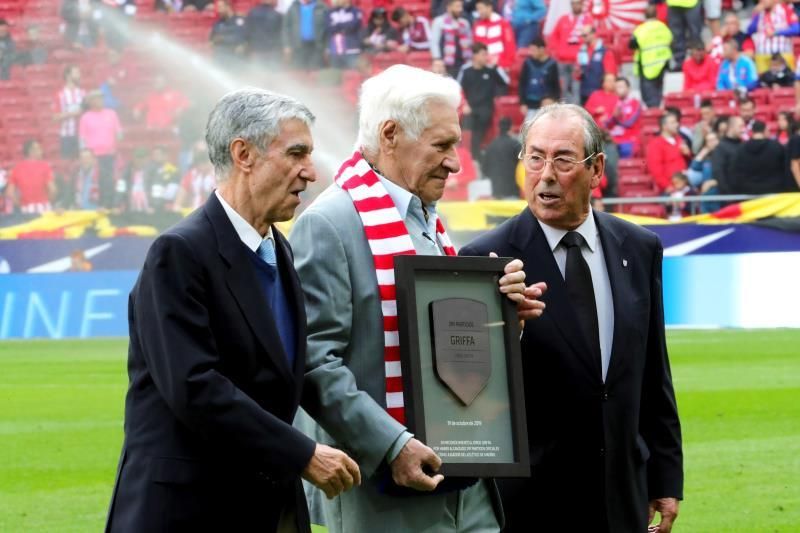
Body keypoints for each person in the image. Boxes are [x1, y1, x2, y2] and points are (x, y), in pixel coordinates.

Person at [289, 64, 542, 533]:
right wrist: (393, 444)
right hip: (385, 489)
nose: (455, 162)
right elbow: (314, 363)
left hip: (465, 479)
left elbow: (438, 344)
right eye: (442, 145)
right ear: (390, 134)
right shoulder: (329, 223)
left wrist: (503, 321)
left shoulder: (426, 217)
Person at [105, 88, 361, 533]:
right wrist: (301, 453)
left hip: (262, 503)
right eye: (296, 153)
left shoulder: (279, 249)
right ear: (243, 154)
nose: (311, 172)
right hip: (188, 509)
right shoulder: (180, 253)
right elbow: (195, 387)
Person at [459, 103, 683, 533]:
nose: (545, 174)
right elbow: (473, 388)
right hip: (532, 502)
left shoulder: (639, 247)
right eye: (535, 157)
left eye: (562, 160)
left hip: (623, 494)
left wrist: (666, 475)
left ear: (597, 169)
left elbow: (654, 372)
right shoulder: (486, 258)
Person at [458, 42, 510, 160]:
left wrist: (496, 67)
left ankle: (476, 158)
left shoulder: (491, 70)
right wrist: (464, 104)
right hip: (469, 109)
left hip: (485, 109)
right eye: (483, 54)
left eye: (486, 54)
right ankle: (470, 158)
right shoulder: (466, 71)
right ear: (474, 56)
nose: (486, 57)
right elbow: (458, 89)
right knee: (467, 127)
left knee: (478, 129)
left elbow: (505, 82)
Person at [78, 90, 122, 209]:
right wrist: (85, 155)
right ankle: (96, 205)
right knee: (96, 182)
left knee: (110, 181)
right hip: (94, 157)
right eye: (97, 98)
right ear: (90, 101)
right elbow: (82, 138)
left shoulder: (112, 114)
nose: (100, 101)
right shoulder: (85, 117)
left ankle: (110, 205)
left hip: (109, 154)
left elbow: (119, 133)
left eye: (101, 98)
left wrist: (116, 146)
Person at [548, 0, 591, 104]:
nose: (575, 5)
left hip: (578, 62)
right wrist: (556, 52)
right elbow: (553, 38)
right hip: (562, 61)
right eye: (573, 3)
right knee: (562, 89)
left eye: (577, 3)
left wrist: (584, 59)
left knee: (576, 89)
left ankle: (576, 114)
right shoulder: (563, 19)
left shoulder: (588, 20)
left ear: (582, 4)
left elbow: (590, 41)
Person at [728, 120, 787, 194]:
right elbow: (785, 168)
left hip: (747, 193)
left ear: (752, 132)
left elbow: (734, 171)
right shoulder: (776, 147)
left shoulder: (740, 149)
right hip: (772, 193)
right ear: (765, 131)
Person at [631, 6, 673, 108]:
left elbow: (632, 44)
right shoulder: (664, 27)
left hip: (647, 65)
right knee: (659, 93)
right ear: (656, 14)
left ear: (644, 15)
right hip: (662, 64)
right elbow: (671, 40)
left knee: (649, 97)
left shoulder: (640, 29)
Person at [746, 0, 799, 73]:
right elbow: (750, 31)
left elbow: (797, 29)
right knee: (764, 83)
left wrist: (776, 32)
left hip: (783, 54)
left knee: (786, 81)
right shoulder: (759, 13)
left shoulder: (784, 9)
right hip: (762, 55)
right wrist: (756, 15)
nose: (763, 2)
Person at [5, 140, 55, 214]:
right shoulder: (45, 166)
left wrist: (20, 204)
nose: (41, 151)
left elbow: (9, 192)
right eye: (39, 148)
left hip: (26, 209)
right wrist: (49, 201)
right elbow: (52, 189)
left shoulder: (16, 168)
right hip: (44, 207)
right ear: (31, 151)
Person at [646, 110, 690, 193]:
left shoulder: (679, 140)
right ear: (664, 126)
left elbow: (689, 161)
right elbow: (655, 170)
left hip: (685, 184)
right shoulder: (655, 144)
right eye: (673, 123)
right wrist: (668, 186)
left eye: (677, 122)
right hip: (670, 188)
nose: (677, 125)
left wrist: (688, 154)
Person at [518, 36, 560, 119]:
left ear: (542, 49)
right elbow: (522, 83)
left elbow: (556, 86)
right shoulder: (527, 63)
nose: (531, 53)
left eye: (533, 50)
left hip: (546, 106)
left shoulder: (552, 64)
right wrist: (522, 103)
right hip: (530, 106)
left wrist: (553, 100)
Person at [576, 24, 617, 105]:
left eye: (585, 35)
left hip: (600, 93)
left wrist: (606, 92)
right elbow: (577, 73)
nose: (583, 38)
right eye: (582, 36)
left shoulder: (605, 51)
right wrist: (577, 73)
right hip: (585, 91)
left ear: (593, 34)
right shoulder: (581, 51)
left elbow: (610, 73)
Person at [431, 0, 473, 78]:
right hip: (446, 64)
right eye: (457, 7)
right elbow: (434, 43)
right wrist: (437, 59)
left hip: (463, 62)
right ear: (449, 8)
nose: (460, 9)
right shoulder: (439, 22)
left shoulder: (465, 23)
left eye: (461, 7)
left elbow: (470, 42)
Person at [483, 116, 522, 198]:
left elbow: (485, 170)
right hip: (512, 191)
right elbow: (523, 166)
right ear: (511, 128)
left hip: (496, 191)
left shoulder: (491, 146)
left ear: (498, 128)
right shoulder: (515, 144)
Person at [283, 0, 327, 70]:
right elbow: (286, 28)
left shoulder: (322, 7)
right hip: (298, 47)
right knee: (299, 73)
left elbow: (327, 28)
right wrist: (287, 45)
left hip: (317, 47)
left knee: (315, 72)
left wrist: (326, 47)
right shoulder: (294, 7)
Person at [472, 0, 516, 69]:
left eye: (481, 8)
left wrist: (506, 63)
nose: (479, 12)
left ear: (489, 8)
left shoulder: (503, 24)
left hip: (499, 65)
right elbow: (475, 46)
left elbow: (510, 45)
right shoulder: (477, 25)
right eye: (478, 9)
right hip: (482, 66)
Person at [53, 65, 85, 160]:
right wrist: (72, 114)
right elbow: (55, 117)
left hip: (81, 135)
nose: (79, 75)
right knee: (67, 164)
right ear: (68, 76)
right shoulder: (60, 95)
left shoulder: (83, 93)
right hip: (67, 136)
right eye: (76, 73)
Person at [605, 77, 642, 159]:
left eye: (621, 87)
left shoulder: (635, 103)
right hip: (613, 140)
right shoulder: (612, 103)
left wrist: (616, 118)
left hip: (629, 140)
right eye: (616, 87)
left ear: (628, 88)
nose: (618, 89)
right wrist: (613, 117)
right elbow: (605, 124)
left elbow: (629, 122)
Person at [325, 0, 363, 69]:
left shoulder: (355, 11)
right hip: (335, 50)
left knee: (353, 74)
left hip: (351, 49)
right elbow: (330, 28)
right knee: (336, 73)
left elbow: (354, 26)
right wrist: (345, 26)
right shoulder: (330, 12)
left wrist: (338, 25)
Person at [712, 114, 744, 195]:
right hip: (730, 197)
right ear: (731, 127)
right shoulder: (721, 148)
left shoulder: (744, 146)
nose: (743, 130)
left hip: (743, 195)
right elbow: (718, 173)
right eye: (740, 127)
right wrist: (728, 194)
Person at [245, 0, 284, 65]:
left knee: (256, 72)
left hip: (256, 50)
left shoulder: (252, 13)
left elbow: (247, 32)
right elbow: (280, 34)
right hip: (272, 51)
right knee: (272, 73)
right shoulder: (278, 15)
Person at [209, 0, 247, 65]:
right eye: (218, 8)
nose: (218, 11)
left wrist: (222, 39)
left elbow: (243, 38)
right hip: (220, 61)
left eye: (220, 7)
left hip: (236, 62)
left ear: (228, 7)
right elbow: (211, 41)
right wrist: (214, 41)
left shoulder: (240, 21)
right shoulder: (217, 24)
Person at [666, 0, 702, 66]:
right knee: (676, 34)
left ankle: (697, 61)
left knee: (694, 34)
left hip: (691, 3)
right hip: (673, 3)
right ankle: (679, 62)